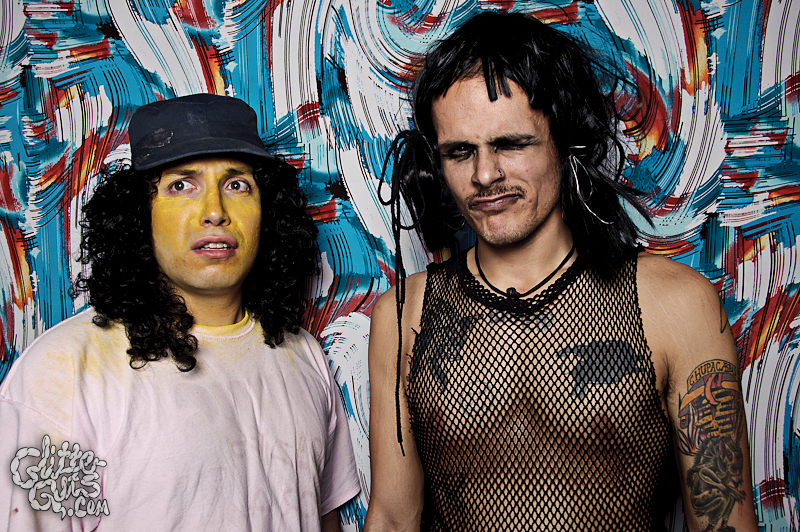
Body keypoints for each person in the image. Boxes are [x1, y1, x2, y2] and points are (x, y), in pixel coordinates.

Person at [365, 11, 758, 532]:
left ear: (564, 139)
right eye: (460, 152)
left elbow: (725, 522)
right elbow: (393, 518)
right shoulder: (403, 316)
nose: (485, 175)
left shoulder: (676, 303)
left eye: (510, 144)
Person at [0, 94, 360, 531]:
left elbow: (320, 518)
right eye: (181, 186)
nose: (215, 212)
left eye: (237, 185)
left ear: (268, 211)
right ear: (140, 214)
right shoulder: (63, 373)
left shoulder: (303, 354)